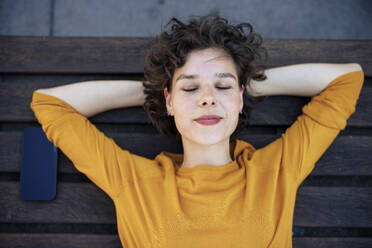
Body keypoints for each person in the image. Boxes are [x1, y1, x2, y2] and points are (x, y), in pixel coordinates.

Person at [30, 14, 364, 248]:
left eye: (221, 86)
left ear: (240, 98)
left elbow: (347, 80)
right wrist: (160, 92)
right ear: (170, 101)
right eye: (190, 89)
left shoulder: (276, 172)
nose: (206, 99)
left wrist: (240, 89)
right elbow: (50, 105)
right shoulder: (134, 183)